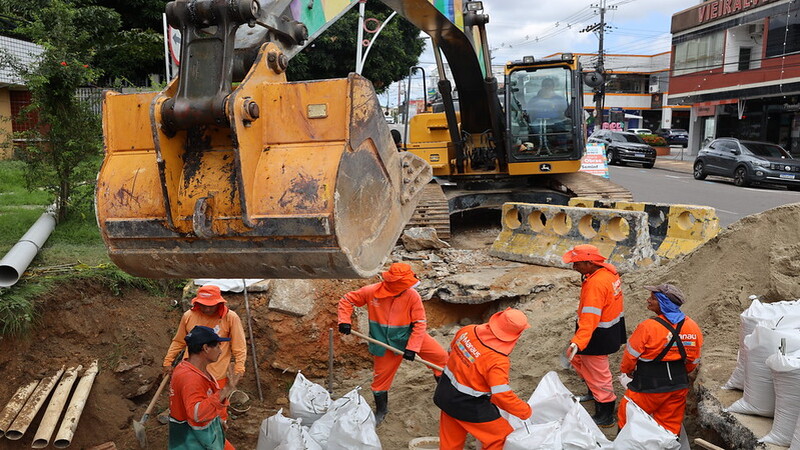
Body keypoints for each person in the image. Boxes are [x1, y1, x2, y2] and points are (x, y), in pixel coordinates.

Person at [337, 262, 447, 424]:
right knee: (381, 379)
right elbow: (347, 300)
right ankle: (381, 410)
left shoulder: (412, 296)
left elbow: (420, 323)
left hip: (410, 335)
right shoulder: (371, 292)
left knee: (441, 358)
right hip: (383, 341)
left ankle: (444, 394)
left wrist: (412, 348)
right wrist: (344, 321)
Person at [433, 308, 532, 450]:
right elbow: (501, 395)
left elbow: (451, 353)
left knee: (450, 444)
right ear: (516, 335)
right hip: (469, 404)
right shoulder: (497, 361)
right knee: (500, 437)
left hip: (445, 393)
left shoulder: (468, 330)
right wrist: (524, 411)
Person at [618, 284, 703, 434]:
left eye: (653, 298)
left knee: (628, 417)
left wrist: (628, 371)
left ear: (664, 303)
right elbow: (693, 361)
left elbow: (630, 356)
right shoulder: (692, 326)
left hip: (648, 385)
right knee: (669, 428)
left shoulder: (648, 327)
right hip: (678, 385)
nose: (648, 300)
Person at [562, 244, 626, 427]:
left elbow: (590, 317)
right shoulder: (608, 274)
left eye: (577, 263)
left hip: (596, 335)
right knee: (577, 360)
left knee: (599, 375)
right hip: (605, 330)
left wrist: (579, 342)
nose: (574, 267)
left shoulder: (596, 284)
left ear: (590, 262)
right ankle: (593, 391)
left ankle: (605, 415)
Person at [163, 284, 247, 420]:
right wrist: (168, 361)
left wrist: (239, 367)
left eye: (211, 305)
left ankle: (217, 433)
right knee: (191, 411)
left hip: (217, 375)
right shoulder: (189, 316)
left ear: (219, 303)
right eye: (203, 305)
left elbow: (239, 346)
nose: (207, 308)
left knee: (217, 412)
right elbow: (179, 341)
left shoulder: (230, 318)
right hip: (192, 373)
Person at [169, 325, 242, 450]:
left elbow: (203, 399)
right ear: (206, 348)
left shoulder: (192, 369)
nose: (220, 351)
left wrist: (217, 421)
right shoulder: (190, 378)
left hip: (204, 433)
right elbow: (196, 414)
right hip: (193, 441)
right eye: (218, 346)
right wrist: (226, 389)